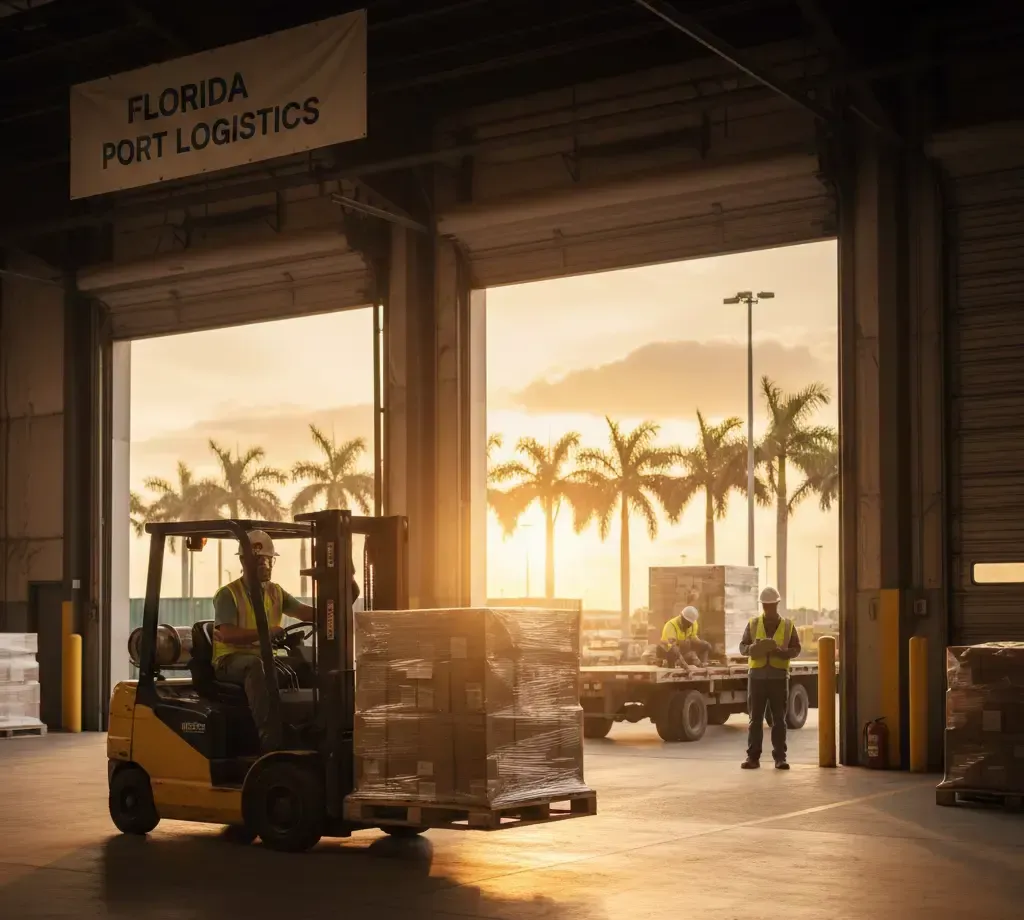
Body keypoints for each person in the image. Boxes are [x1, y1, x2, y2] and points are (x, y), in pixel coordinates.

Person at [211, 529, 358, 751]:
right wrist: (266, 633)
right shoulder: (228, 594)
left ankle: (317, 728)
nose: (264, 564)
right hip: (229, 661)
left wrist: (334, 605)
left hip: (264, 658)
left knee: (308, 664)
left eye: (268, 560)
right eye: (258, 560)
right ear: (243, 560)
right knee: (257, 668)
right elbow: (228, 633)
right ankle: (271, 740)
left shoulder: (275, 592)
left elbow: (306, 613)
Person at [738, 586, 801, 770]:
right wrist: (754, 649)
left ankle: (780, 758)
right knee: (755, 720)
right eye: (765, 606)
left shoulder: (788, 626)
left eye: (771, 606)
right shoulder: (753, 623)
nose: (768, 609)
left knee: (779, 720)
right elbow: (743, 647)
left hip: (778, 678)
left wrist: (781, 652)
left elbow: (796, 649)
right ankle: (753, 758)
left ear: (777, 604)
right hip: (757, 677)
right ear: (762, 606)